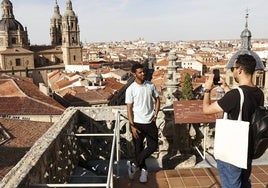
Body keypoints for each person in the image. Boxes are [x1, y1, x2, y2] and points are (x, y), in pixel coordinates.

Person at [203, 54, 264, 188]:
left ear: (240, 70)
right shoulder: (258, 92)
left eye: (233, 68)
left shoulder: (235, 95)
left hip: (232, 150)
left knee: (232, 184)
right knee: (244, 182)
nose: (233, 71)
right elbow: (243, 104)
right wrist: (225, 88)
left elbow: (206, 109)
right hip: (248, 147)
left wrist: (207, 89)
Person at [125, 63, 160, 183]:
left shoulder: (151, 85)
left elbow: (157, 99)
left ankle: (133, 164)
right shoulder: (130, 89)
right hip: (137, 123)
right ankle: (144, 172)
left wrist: (155, 114)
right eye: (140, 72)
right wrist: (132, 126)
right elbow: (129, 108)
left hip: (150, 122)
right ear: (134, 74)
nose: (143, 74)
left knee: (153, 146)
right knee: (138, 149)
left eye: (143, 72)